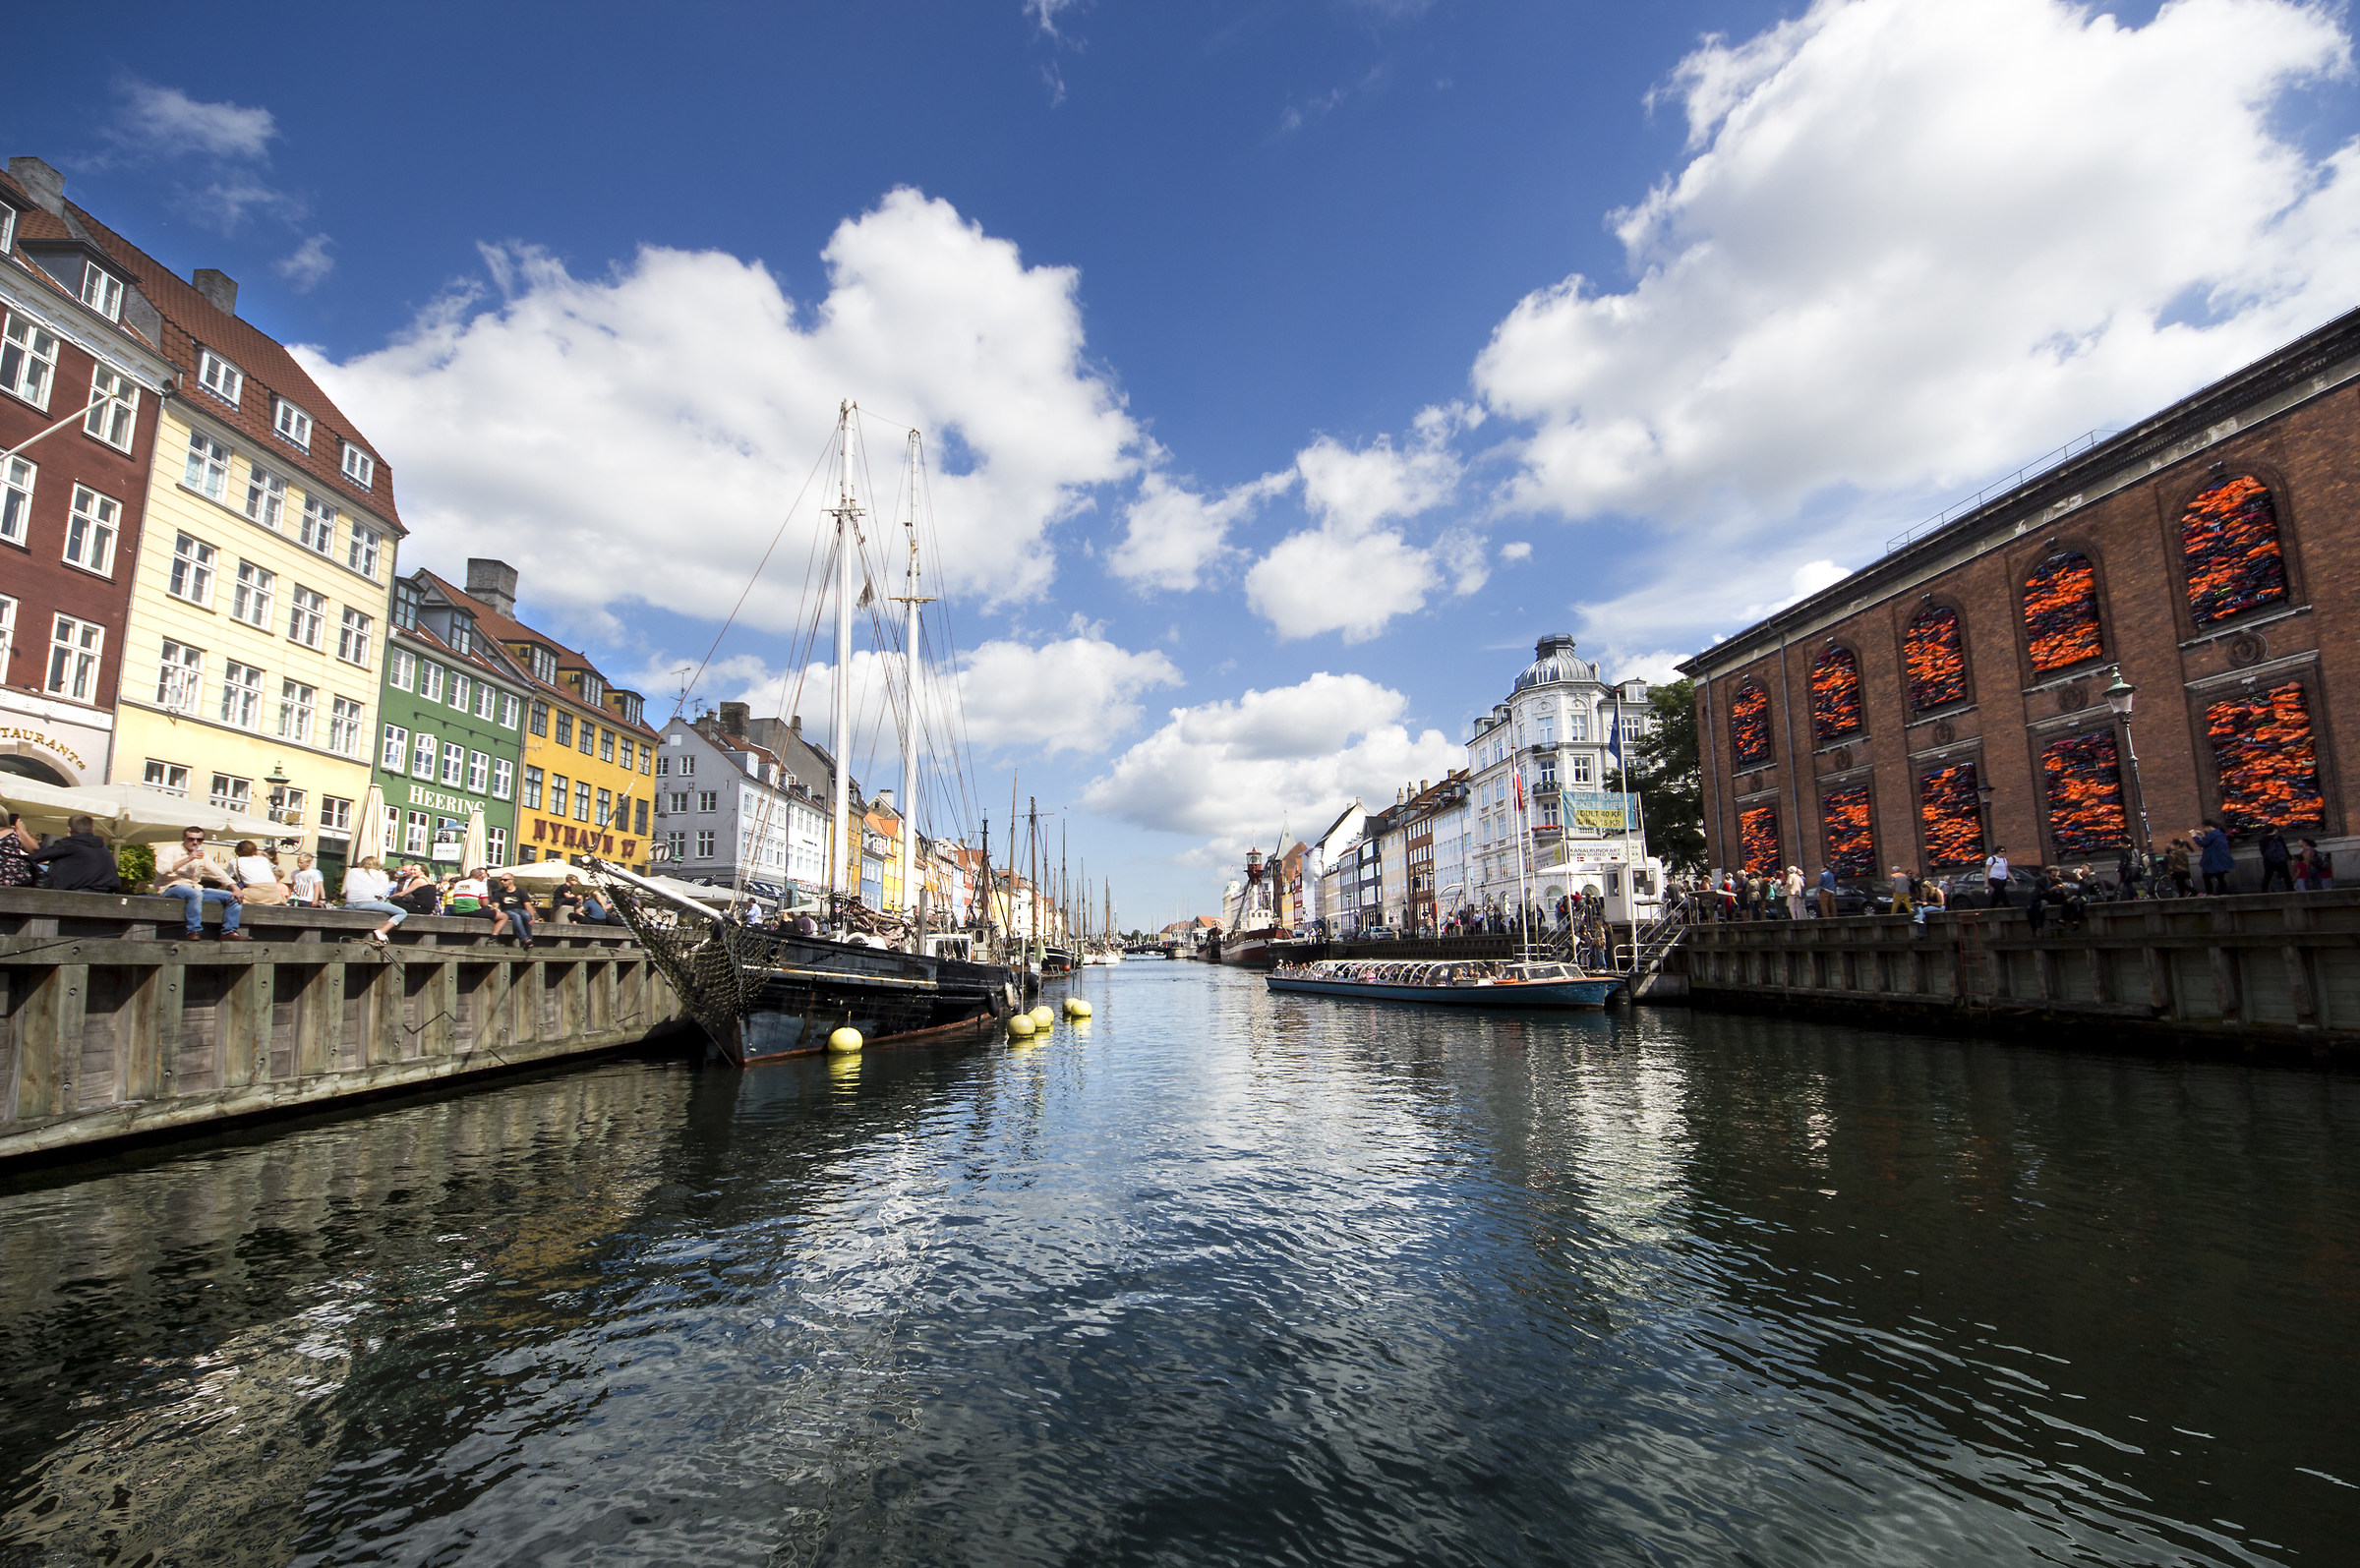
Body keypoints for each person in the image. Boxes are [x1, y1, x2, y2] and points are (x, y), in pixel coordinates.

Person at [157, 829, 246, 940]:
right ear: (183, 839)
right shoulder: (170, 851)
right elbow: (162, 869)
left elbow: (217, 871)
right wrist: (189, 858)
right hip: (171, 886)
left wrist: (234, 887)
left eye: (199, 840)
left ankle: (228, 932)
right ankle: (193, 931)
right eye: (191, 839)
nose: (195, 842)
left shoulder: (202, 855)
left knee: (232, 897)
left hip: (194, 887)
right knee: (195, 894)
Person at [28, 814, 121, 892]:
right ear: (92, 829)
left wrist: (22, 833)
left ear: (69, 829)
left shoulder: (69, 844)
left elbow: (36, 856)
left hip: (77, 895)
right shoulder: (102, 846)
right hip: (106, 893)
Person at [342, 856, 408, 945]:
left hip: (350, 903)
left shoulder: (352, 871)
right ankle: (382, 931)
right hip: (367, 903)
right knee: (402, 913)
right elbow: (380, 893)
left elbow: (346, 890)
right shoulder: (380, 874)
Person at [232, 840, 289, 905]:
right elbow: (279, 872)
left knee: (231, 894)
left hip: (254, 893)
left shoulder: (236, 861)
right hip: (274, 894)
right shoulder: (264, 860)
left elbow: (231, 879)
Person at [489, 873, 537, 947]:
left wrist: (532, 916)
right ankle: (524, 939)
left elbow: (527, 906)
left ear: (511, 880)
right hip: (507, 911)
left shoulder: (521, 891)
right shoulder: (499, 892)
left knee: (526, 915)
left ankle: (529, 939)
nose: (502, 882)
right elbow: (495, 904)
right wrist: (494, 908)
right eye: (501, 880)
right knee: (516, 916)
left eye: (505, 880)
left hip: (519, 909)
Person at [2194, 821, 2235, 897]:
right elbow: (2211, 843)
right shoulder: (2220, 833)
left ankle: (2210, 894)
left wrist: (2194, 837)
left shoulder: (2212, 834)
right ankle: (2223, 893)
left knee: (2206, 877)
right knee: (2220, 877)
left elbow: (2203, 844)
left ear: (2209, 826)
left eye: (2204, 827)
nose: (2204, 829)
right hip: (2221, 859)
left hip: (2213, 860)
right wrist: (2203, 836)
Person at [1, 812, 36, 888]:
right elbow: (33, 849)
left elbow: (33, 849)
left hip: (13, 878)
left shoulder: (12, 832)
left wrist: (20, 831)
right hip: (15, 878)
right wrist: (21, 830)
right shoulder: (13, 833)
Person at [2259, 826, 2293, 893]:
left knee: (2267, 876)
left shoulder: (2262, 839)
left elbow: (2262, 851)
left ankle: (2264, 890)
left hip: (2269, 860)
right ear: (2274, 830)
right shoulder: (2278, 837)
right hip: (2280, 859)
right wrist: (2290, 858)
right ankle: (2291, 889)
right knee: (2286, 875)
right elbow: (2284, 848)